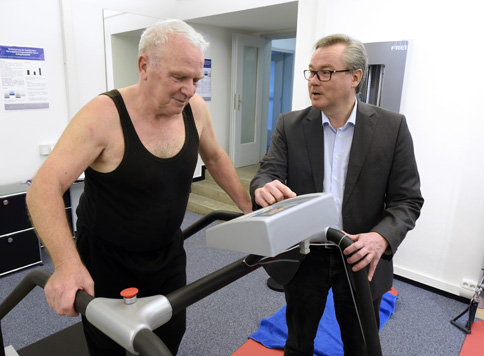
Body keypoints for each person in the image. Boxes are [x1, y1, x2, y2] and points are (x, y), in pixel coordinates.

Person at [26, 19, 252, 355]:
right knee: (113, 347)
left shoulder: (195, 108)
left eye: (195, 79)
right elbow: (44, 186)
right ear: (144, 66)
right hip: (107, 258)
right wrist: (67, 265)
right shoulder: (104, 115)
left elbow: (215, 157)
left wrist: (249, 210)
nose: (189, 89)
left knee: (168, 337)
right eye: (178, 77)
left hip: (168, 252)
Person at [250, 34, 423, 355]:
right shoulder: (290, 125)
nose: (313, 81)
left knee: (361, 346)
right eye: (311, 72)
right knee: (298, 342)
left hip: (360, 256)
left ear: (355, 77)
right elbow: (266, 173)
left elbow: (408, 201)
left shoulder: (391, 128)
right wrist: (262, 187)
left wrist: (381, 238)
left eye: (325, 72)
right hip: (305, 255)